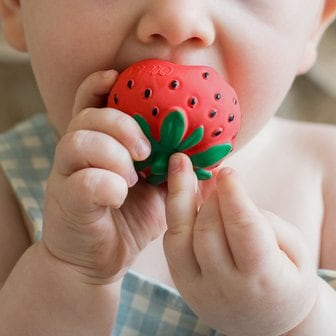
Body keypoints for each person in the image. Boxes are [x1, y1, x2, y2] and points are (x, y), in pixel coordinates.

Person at [0, 0, 336, 335]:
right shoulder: (9, 189)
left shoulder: (326, 179)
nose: (178, 20)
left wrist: (299, 317)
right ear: (14, 7)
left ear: (314, 26)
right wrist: (70, 269)